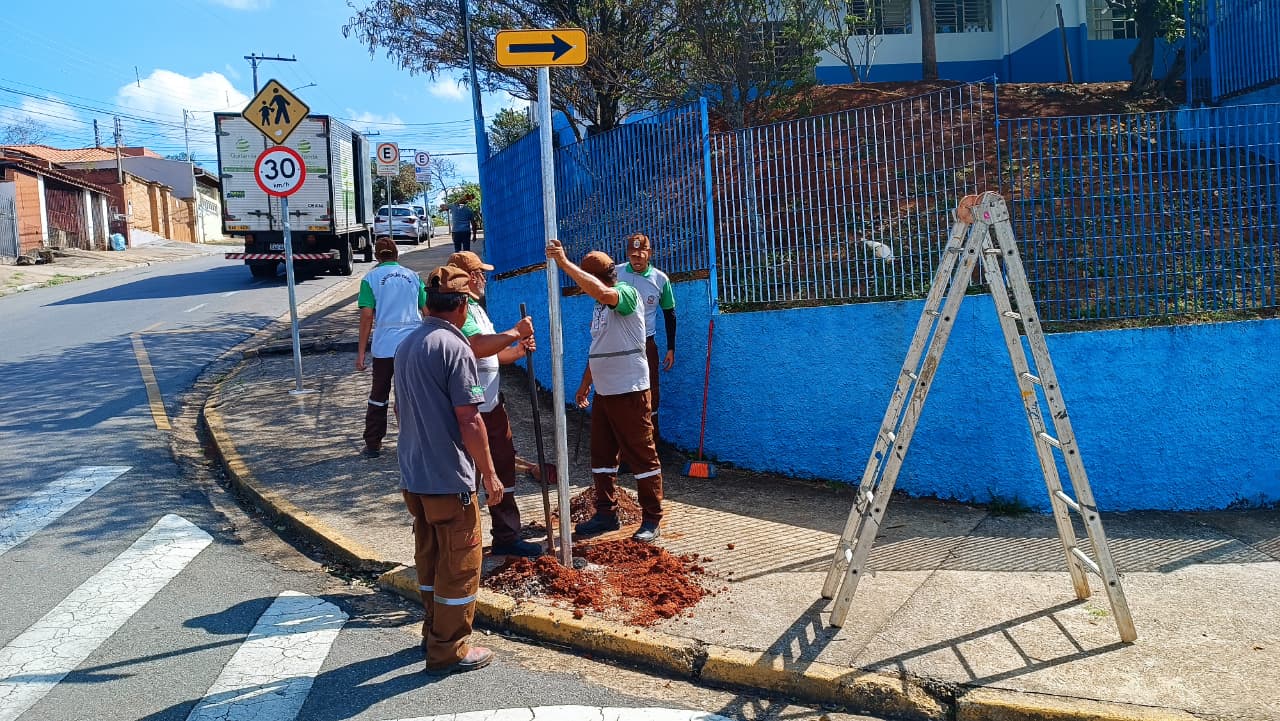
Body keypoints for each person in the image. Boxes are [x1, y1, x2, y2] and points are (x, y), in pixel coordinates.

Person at [394, 264, 505, 677]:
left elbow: (402, 411)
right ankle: (449, 649)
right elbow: (470, 420)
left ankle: (432, 631)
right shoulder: (454, 348)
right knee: (460, 564)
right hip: (449, 480)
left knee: (430, 558)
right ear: (461, 306)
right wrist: (490, 474)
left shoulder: (407, 345)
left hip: (415, 476)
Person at [545, 240, 664, 543]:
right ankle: (605, 513)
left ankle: (652, 518)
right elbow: (599, 348)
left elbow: (603, 292)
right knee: (601, 456)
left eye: (585, 280)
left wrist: (564, 263)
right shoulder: (600, 308)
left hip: (630, 391)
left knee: (641, 455)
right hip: (605, 393)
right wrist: (586, 383)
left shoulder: (625, 293)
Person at [447, 250, 541, 557]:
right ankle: (466, 540)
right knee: (471, 474)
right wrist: (514, 331)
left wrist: (516, 350)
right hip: (472, 408)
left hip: (491, 404)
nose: (485, 278)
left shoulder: (477, 309)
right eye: (481, 273)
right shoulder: (462, 311)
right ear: (471, 278)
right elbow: (475, 347)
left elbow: (490, 354)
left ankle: (506, 534)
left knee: (503, 465)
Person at [356, 238, 425, 458]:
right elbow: (427, 310)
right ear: (397, 255)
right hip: (412, 343)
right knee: (413, 394)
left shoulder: (370, 279)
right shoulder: (414, 277)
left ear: (377, 257)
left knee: (379, 394)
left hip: (385, 345)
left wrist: (361, 354)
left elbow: (367, 316)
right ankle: (418, 441)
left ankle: (373, 443)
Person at [615, 233, 676, 438]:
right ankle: (624, 450)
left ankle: (651, 444)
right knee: (622, 394)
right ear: (628, 255)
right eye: (633, 255)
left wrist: (671, 349)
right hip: (619, 345)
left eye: (641, 254)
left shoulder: (660, 279)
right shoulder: (616, 274)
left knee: (651, 393)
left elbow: (670, 314)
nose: (637, 259)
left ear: (649, 253)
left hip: (646, 345)